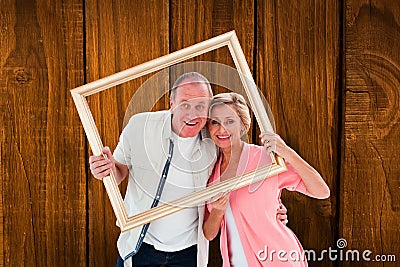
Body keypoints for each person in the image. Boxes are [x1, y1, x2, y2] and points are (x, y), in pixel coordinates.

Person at [89, 72, 288, 267]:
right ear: (171, 104)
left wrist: (271, 207)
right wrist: (106, 170)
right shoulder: (139, 126)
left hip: (189, 251)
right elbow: (119, 172)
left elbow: (238, 174)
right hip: (140, 245)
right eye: (185, 104)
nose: (193, 114)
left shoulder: (214, 141)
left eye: (200, 106)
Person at [203, 92, 330, 267]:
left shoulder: (266, 159)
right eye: (215, 122)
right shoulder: (211, 173)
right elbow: (209, 234)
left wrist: (287, 152)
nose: (221, 129)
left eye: (230, 121)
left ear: (243, 125)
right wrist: (217, 211)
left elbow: (321, 191)